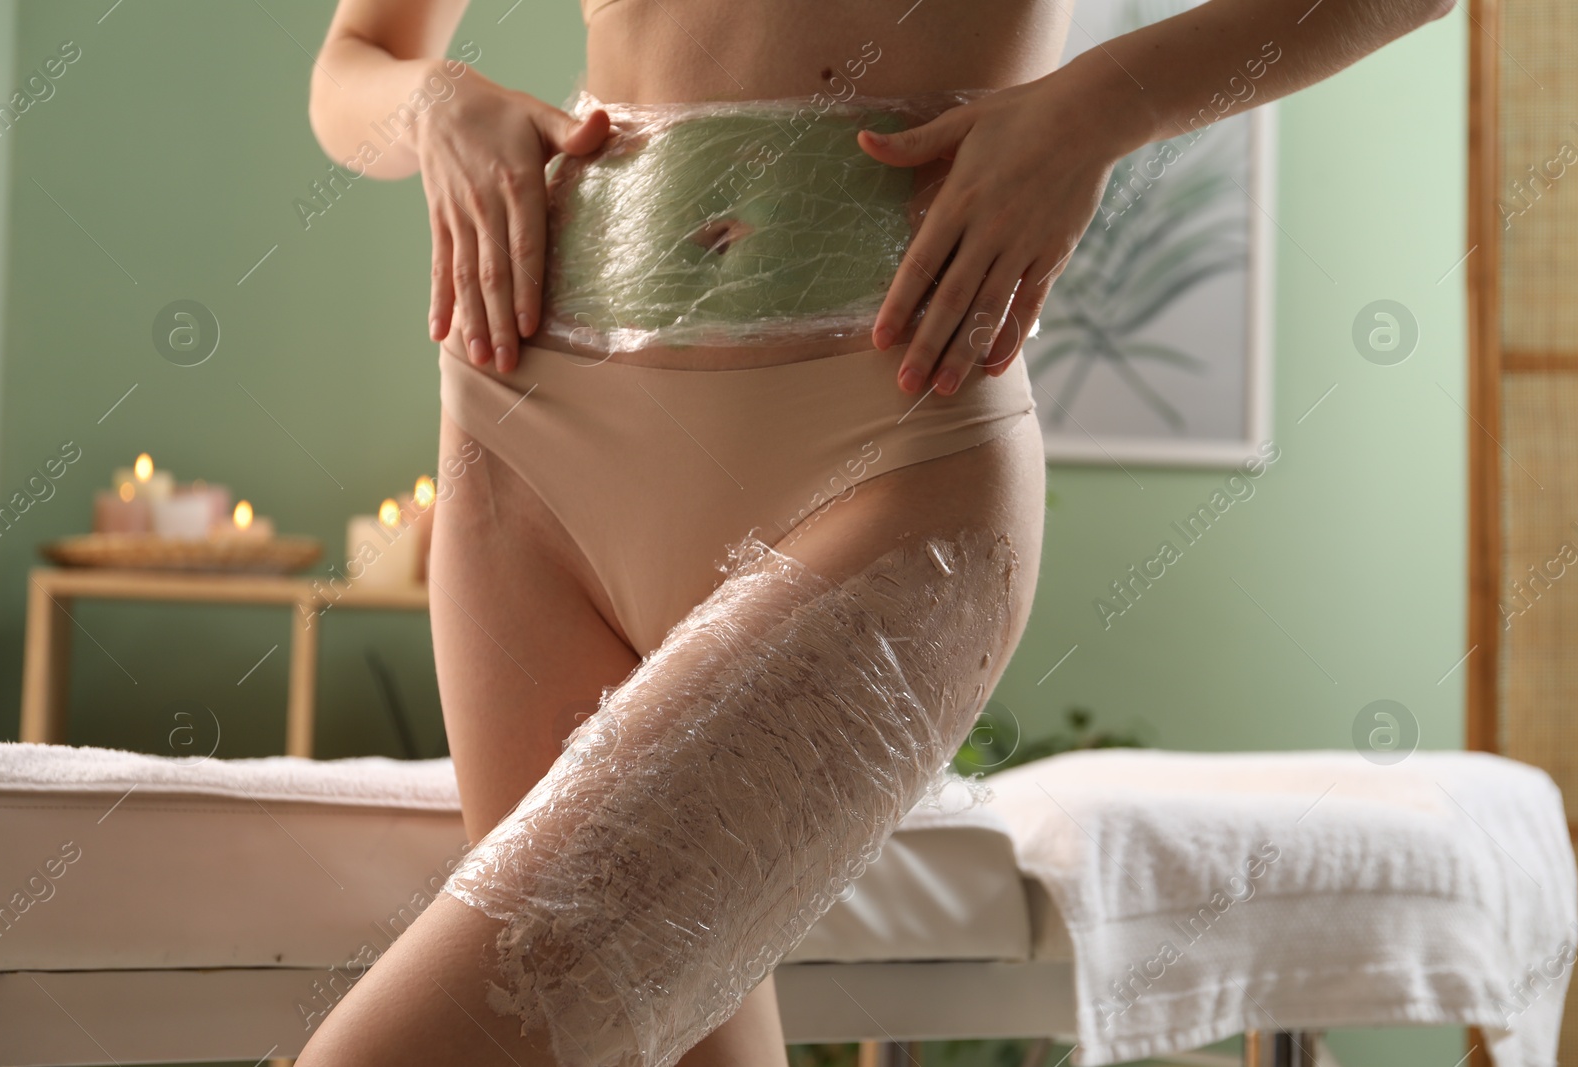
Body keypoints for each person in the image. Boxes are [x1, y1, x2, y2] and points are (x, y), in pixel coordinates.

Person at [300, 0, 1454, 1062]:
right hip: (523, 447)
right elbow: (354, 64)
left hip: (883, 458)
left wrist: (1107, 103)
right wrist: (431, 104)